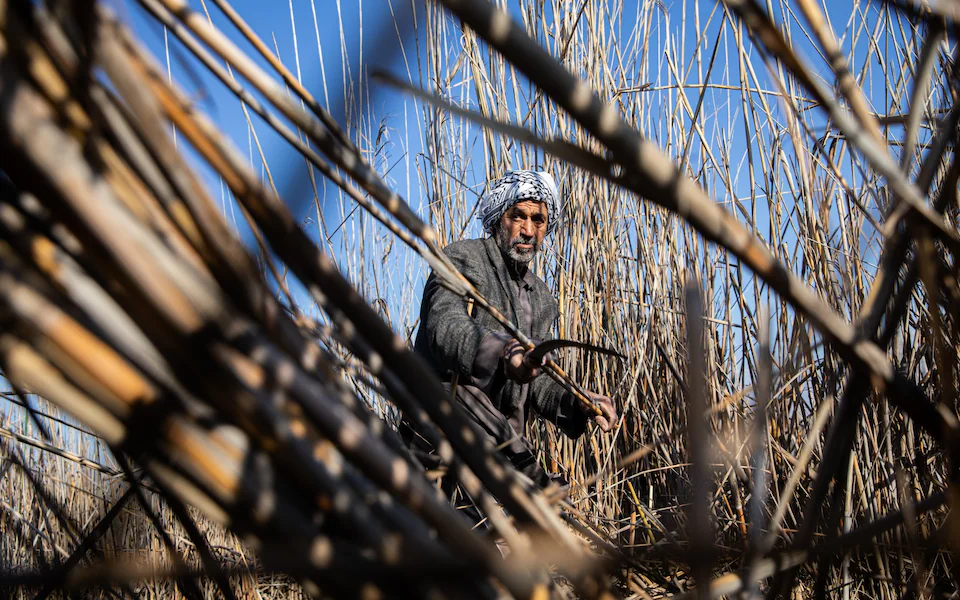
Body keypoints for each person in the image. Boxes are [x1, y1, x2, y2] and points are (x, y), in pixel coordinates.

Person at [406, 170, 618, 490]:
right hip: (442, 435)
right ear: (497, 219)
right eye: (518, 216)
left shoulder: (542, 297)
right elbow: (444, 324)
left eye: (538, 220)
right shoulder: (464, 257)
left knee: (544, 516)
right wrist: (504, 352)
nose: (528, 230)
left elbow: (539, 379)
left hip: (501, 450)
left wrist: (577, 400)